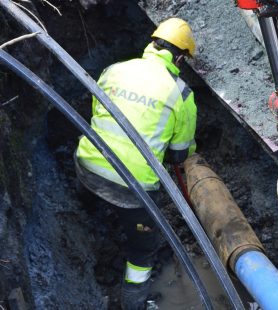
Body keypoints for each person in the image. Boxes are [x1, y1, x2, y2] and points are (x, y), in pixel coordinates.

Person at [74, 18, 197, 309]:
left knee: (92, 189)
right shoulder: (181, 93)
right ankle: (133, 300)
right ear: (179, 57)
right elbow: (180, 153)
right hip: (133, 191)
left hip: (86, 167)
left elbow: (96, 113)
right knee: (143, 249)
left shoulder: (114, 69)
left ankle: (88, 214)